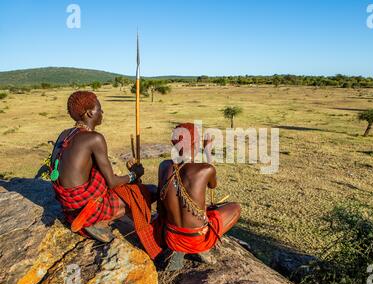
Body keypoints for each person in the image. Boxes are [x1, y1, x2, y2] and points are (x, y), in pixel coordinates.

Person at [50, 91, 148, 243]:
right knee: (146, 194)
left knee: (119, 188)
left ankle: (91, 219)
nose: (102, 112)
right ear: (89, 113)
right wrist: (134, 174)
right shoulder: (94, 138)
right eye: (99, 109)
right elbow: (111, 182)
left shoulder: (64, 134)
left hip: (69, 207)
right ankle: (95, 221)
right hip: (87, 207)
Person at [156, 123, 241, 270]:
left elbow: (161, 206)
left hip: (170, 236)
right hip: (196, 239)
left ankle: (178, 250)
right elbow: (212, 185)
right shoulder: (206, 169)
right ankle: (195, 249)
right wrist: (207, 150)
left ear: (174, 143)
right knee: (235, 208)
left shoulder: (163, 166)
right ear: (195, 143)